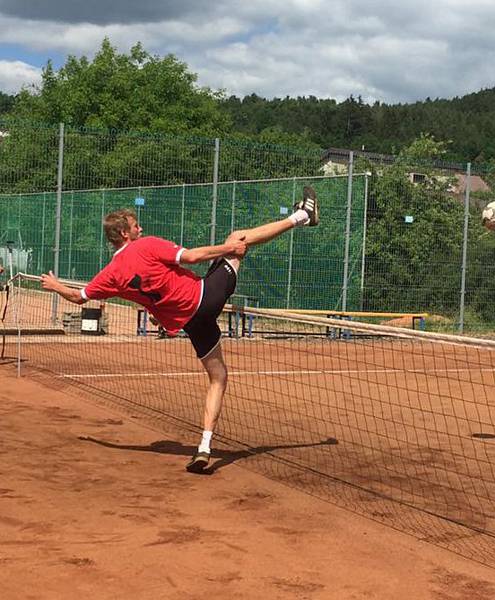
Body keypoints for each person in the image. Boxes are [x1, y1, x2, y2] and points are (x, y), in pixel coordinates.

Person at [41, 186, 320, 474]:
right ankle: (303, 215)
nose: (141, 228)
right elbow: (193, 257)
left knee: (219, 377)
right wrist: (230, 250)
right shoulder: (145, 245)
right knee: (238, 236)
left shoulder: (110, 274)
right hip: (205, 298)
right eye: (136, 226)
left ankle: (204, 447)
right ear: (125, 233)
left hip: (191, 323)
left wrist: (56, 286)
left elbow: (79, 297)